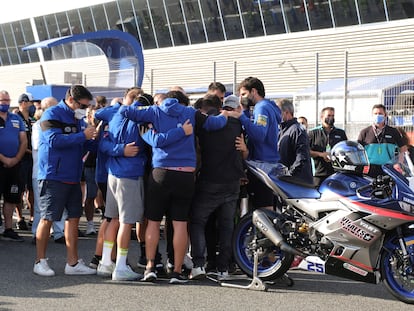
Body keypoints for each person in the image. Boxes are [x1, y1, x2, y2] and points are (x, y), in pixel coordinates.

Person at [120, 90, 231, 284]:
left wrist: (137, 107)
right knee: (180, 224)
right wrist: (226, 114)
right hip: (185, 174)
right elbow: (215, 124)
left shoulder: (154, 112)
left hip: (161, 172)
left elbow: (125, 112)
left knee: (153, 222)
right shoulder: (190, 112)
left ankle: (150, 266)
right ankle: (177, 272)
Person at [33, 85, 97, 276]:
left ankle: (73, 262)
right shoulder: (51, 114)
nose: (84, 110)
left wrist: (95, 138)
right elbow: (54, 141)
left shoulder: (76, 118)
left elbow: (83, 144)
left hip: (73, 176)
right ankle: (40, 261)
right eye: (83, 106)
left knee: (74, 218)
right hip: (53, 175)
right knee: (48, 218)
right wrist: (82, 135)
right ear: (72, 100)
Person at [189, 94, 248, 280]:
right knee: (226, 226)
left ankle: (199, 264)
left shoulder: (205, 125)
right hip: (232, 181)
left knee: (198, 221)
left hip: (210, 180)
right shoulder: (237, 125)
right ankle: (223, 269)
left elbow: (198, 149)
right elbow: (242, 151)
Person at [96, 87, 147, 281]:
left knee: (112, 219)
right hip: (131, 174)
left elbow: (103, 143)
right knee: (126, 223)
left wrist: (118, 149)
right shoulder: (141, 118)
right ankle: (121, 265)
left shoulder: (114, 115)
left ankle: (107, 262)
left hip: (113, 173)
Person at [234, 76, 282, 210]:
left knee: (264, 209)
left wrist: (241, 117)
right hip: (270, 163)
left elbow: (260, 134)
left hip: (262, 164)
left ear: (253, 91)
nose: (241, 98)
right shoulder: (268, 107)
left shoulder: (261, 108)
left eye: (243, 94)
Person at [31, 96, 67, 245]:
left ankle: (59, 233)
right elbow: (40, 145)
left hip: (59, 170)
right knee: (41, 206)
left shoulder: (61, 124)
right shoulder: (38, 126)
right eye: (52, 107)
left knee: (60, 204)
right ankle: (36, 234)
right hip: (41, 171)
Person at [0, 90, 27, 242]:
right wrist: (4, 158)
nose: (5, 103)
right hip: (1, 162)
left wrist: (16, 158)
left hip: (15, 164)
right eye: (2, 100)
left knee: (11, 198)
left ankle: (8, 228)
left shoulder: (16, 118)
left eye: (7, 100)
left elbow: (23, 141)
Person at [357, 104, 406, 178]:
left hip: (388, 169)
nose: (377, 116)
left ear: (385, 115)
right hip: (370, 170)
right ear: (372, 115)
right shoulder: (364, 132)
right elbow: (358, 151)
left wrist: (399, 163)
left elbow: (402, 148)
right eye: (375, 114)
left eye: (380, 113)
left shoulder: (393, 131)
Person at [309, 107, 347, 186]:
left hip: (336, 173)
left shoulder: (341, 133)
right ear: (322, 117)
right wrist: (321, 154)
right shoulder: (313, 133)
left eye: (333, 116)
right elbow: (306, 151)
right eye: (328, 115)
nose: (331, 118)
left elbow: (346, 150)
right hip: (318, 174)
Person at [277, 99, 313, 184]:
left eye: (277, 112)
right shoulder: (283, 131)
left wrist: (289, 175)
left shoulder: (297, 130)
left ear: (286, 112)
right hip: (288, 182)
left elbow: (301, 157)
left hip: (297, 184)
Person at [15, 92, 37, 231]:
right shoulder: (15, 118)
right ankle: (20, 217)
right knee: (19, 188)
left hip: (32, 158)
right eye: (30, 102)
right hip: (21, 158)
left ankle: (33, 216)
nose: (32, 105)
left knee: (32, 189)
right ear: (23, 102)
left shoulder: (32, 119)